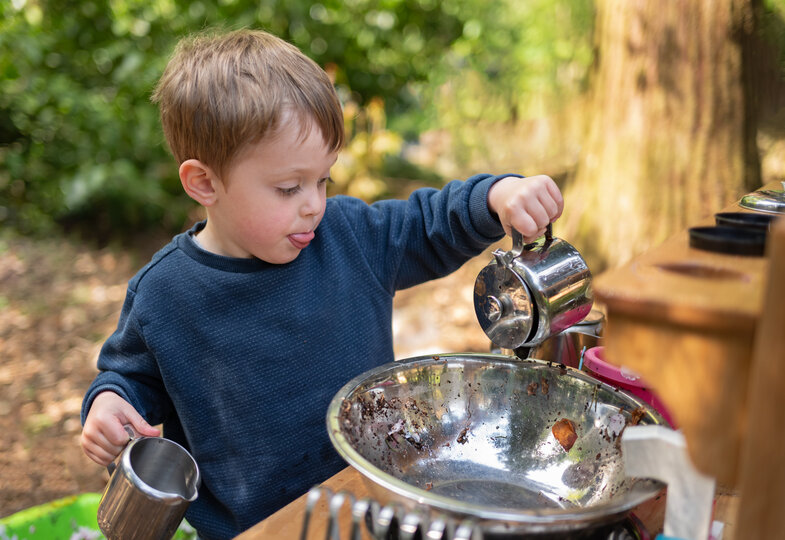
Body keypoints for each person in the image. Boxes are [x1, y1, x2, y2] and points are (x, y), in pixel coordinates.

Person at [80, 28, 564, 540]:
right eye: (289, 188)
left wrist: (497, 195)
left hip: (374, 507)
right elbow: (132, 379)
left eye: (323, 179)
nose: (314, 203)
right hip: (258, 531)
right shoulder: (165, 295)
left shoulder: (348, 235)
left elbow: (428, 224)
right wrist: (111, 404)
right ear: (205, 183)